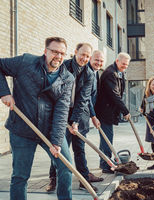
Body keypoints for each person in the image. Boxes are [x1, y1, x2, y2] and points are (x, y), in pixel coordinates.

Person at [0, 37, 74, 200]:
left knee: (66, 167)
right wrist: (4, 92)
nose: (58, 56)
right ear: (45, 51)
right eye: (54, 51)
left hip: (49, 129)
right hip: (22, 128)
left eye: (62, 53)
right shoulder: (26, 62)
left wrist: (55, 141)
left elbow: (62, 111)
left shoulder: (67, 78)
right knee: (20, 175)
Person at [47, 43, 100, 192]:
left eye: (87, 56)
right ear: (75, 52)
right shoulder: (63, 66)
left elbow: (83, 99)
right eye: (82, 54)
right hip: (61, 113)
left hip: (78, 115)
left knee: (80, 148)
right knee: (59, 148)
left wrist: (75, 121)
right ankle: (53, 180)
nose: (84, 58)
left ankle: (84, 181)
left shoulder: (89, 74)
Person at [94, 52, 131, 174]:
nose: (125, 66)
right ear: (117, 61)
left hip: (109, 111)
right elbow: (114, 94)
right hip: (105, 111)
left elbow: (120, 93)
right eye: (123, 64)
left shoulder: (119, 73)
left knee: (105, 138)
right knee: (107, 139)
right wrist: (125, 111)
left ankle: (104, 161)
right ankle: (106, 165)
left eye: (127, 64)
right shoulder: (110, 73)